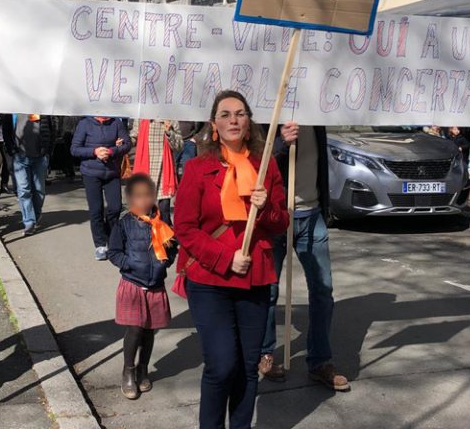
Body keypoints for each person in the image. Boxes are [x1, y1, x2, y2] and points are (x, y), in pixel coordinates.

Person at [175, 90, 289, 429]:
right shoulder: (197, 168)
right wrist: (225, 258)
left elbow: (281, 221)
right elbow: (184, 228)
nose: (233, 120)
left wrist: (266, 205)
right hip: (210, 280)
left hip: (255, 277)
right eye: (225, 114)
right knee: (222, 365)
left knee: (247, 366)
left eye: (240, 113)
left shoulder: (265, 164)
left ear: (249, 121)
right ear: (214, 124)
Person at [259, 122, 350, 391]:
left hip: (312, 215)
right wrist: (280, 144)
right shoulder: (268, 117)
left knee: (323, 290)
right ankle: (264, 354)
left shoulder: (318, 117)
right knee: (268, 289)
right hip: (276, 217)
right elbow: (256, 165)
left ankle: (320, 362)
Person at [108, 173, 178, 400]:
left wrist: (165, 262)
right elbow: (114, 252)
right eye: (137, 196)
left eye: (147, 195)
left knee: (149, 330)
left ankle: (143, 368)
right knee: (135, 328)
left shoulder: (163, 223)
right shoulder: (124, 224)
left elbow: (172, 248)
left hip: (155, 284)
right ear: (130, 199)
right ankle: (128, 370)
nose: (143, 200)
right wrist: (129, 264)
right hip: (133, 284)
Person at [71, 116, 132, 260]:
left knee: (115, 208)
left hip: (112, 172)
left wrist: (112, 151)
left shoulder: (116, 123)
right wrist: (95, 152)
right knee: (96, 210)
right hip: (91, 173)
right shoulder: (84, 123)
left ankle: (111, 237)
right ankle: (100, 244)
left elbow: (127, 144)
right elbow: (74, 149)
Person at [3, 113, 57, 236]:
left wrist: (48, 152)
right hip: (20, 157)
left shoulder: (43, 107)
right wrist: (11, 149)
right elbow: (6, 130)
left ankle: (36, 217)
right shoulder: (12, 109)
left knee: (39, 190)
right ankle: (29, 222)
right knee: (23, 190)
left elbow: (52, 129)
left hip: (40, 157)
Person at [130, 119, 183, 225]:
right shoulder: (141, 117)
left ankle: (166, 239)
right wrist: (123, 142)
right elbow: (133, 136)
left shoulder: (170, 118)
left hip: (164, 169)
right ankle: (145, 238)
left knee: (164, 212)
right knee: (144, 211)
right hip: (144, 167)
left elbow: (179, 146)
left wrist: (169, 132)